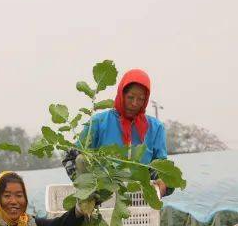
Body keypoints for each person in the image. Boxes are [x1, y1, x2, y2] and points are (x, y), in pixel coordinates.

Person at [63, 68, 171, 196]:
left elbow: (159, 167)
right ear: (121, 94)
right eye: (130, 97)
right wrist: (85, 188)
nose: (134, 103)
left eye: (141, 99)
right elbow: (71, 158)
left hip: (140, 199)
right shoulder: (99, 122)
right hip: (102, 198)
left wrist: (163, 183)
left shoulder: (155, 127)